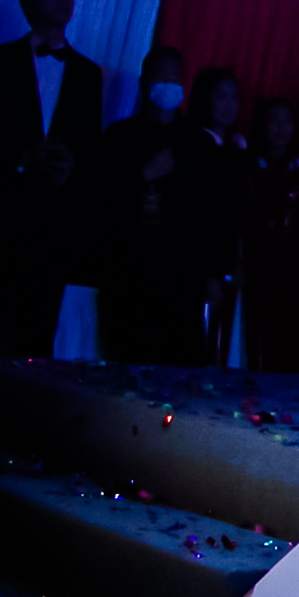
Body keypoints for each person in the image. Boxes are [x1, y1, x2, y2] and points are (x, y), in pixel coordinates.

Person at [0, 0, 104, 357]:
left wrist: (71, 169)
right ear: (28, 1)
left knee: (37, 337)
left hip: (54, 228)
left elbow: (91, 153)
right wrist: (21, 159)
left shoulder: (88, 74)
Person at [100, 45, 207, 364]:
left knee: (180, 363)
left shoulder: (199, 143)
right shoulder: (119, 136)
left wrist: (215, 272)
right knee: (126, 358)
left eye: (175, 78)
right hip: (128, 268)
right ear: (144, 82)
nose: (169, 85)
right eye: (162, 77)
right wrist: (143, 174)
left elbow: (212, 210)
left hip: (181, 273)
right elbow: (101, 199)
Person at [241, 97, 299, 373]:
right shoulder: (249, 162)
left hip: (294, 264)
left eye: (287, 121)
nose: (281, 127)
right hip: (256, 262)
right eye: (274, 120)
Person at [185, 67, 253, 365]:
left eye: (233, 98)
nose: (229, 105)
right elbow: (197, 217)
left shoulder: (237, 150)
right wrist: (208, 273)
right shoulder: (194, 145)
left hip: (230, 265)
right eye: (221, 97)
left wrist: (239, 260)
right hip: (200, 266)